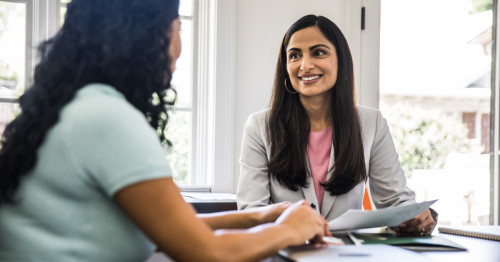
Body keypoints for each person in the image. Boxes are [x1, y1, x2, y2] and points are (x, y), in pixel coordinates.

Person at [0, 1, 331, 261]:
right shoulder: (107, 118)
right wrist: (288, 229)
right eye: (178, 29)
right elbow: (206, 252)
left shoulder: (79, 105)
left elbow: (172, 229)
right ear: (150, 35)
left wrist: (262, 217)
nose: (179, 47)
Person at [236, 14, 437, 237]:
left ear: (341, 60)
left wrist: (413, 217)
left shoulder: (372, 123)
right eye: (294, 55)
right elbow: (251, 211)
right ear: (285, 66)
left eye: (319, 52)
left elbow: (394, 200)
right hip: (284, 251)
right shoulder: (259, 127)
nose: (305, 65)